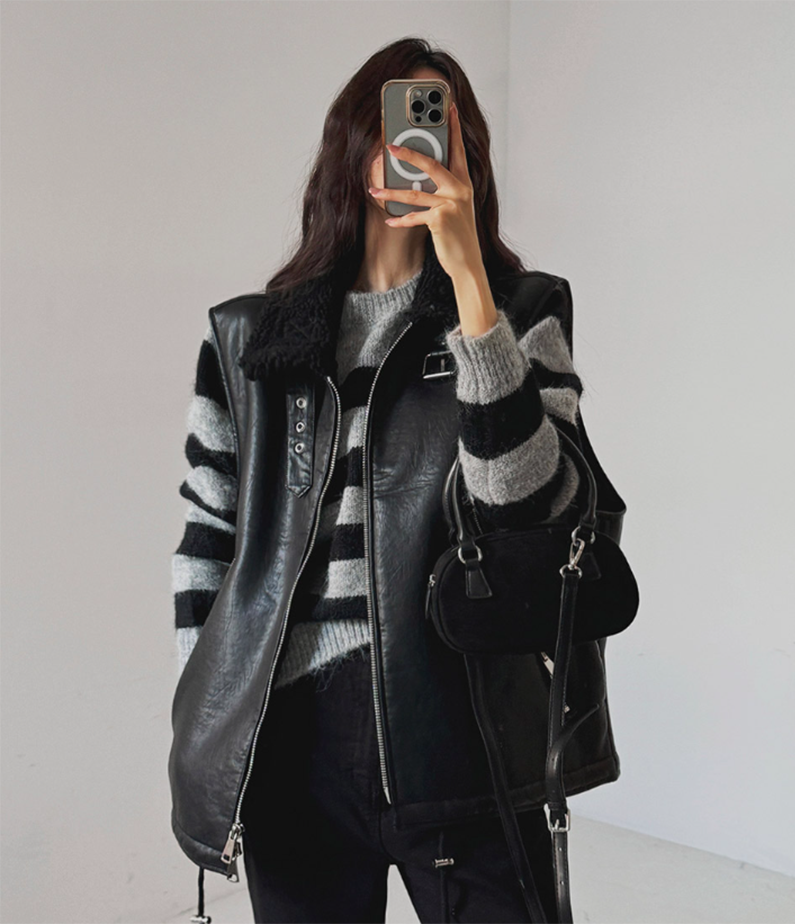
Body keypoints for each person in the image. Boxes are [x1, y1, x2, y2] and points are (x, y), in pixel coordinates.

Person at [170, 36, 620, 924]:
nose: (414, 148)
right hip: (290, 749)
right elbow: (205, 548)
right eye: (395, 123)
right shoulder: (250, 341)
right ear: (354, 145)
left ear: (467, 160)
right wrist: (211, 724)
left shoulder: (522, 312)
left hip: (462, 731)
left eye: (437, 130)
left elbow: (531, 507)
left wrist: (470, 288)